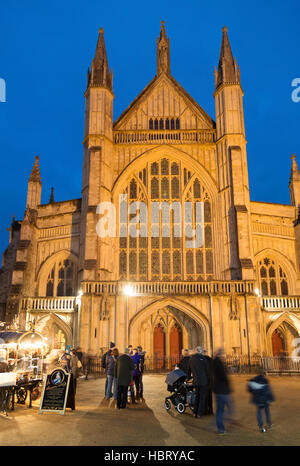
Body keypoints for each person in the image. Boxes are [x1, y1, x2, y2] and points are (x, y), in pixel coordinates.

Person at [212, 348, 233, 435]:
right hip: (223, 390)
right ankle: (219, 426)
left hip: (217, 389)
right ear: (220, 355)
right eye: (223, 354)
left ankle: (220, 427)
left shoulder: (213, 363)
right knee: (228, 409)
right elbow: (224, 376)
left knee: (220, 410)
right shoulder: (219, 363)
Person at [248, 368, 275, 432]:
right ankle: (269, 424)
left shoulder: (253, 380)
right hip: (265, 399)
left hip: (257, 400)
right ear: (263, 373)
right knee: (267, 411)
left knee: (259, 413)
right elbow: (268, 391)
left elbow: (249, 389)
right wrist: (270, 399)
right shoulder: (265, 380)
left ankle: (261, 427)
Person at [189, 346, 211, 418]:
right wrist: (209, 380)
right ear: (201, 351)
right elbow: (208, 371)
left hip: (196, 381)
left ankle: (194, 412)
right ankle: (199, 413)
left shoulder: (192, 359)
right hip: (203, 381)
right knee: (202, 397)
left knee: (197, 396)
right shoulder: (203, 359)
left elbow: (190, 369)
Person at [203, 349, 213, 415]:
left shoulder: (203, 360)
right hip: (211, 379)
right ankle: (211, 410)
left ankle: (205, 410)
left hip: (205, 379)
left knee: (205, 396)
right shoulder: (210, 359)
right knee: (210, 395)